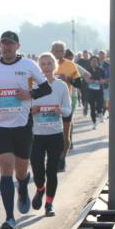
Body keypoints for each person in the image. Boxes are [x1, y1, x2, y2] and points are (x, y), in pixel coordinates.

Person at [0, 31, 52, 229]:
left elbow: (45, 89)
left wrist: (29, 94)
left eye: (11, 44)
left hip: (22, 125)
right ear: (0, 45)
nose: (7, 47)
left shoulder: (29, 65)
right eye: (4, 43)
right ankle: (10, 218)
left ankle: (22, 185)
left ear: (17, 46)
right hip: (0, 125)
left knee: (21, 170)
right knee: (6, 167)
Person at [30, 53, 74, 217]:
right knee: (37, 169)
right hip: (37, 135)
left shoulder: (61, 86)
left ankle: (49, 204)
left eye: (49, 64)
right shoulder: (33, 86)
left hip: (55, 134)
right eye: (43, 64)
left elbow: (68, 110)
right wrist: (32, 110)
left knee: (52, 171)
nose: (46, 67)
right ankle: (40, 189)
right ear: (38, 67)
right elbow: (24, 109)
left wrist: (59, 110)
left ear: (54, 66)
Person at [49, 41, 82, 173]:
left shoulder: (70, 65)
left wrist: (68, 79)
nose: (58, 53)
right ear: (51, 51)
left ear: (64, 52)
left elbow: (79, 84)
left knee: (64, 135)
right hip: (48, 104)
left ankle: (62, 157)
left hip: (64, 104)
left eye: (60, 51)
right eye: (55, 50)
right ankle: (52, 159)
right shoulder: (46, 63)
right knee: (49, 134)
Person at [85, 55, 106, 127]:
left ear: (98, 62)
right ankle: (94, 122)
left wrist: (101, 81)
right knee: (92, 107)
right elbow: (87, 80)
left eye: (96, 61)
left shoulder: (101, 70)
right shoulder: (87, 70)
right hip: (90, 91)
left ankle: (100, 112)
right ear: (90, 62)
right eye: (92, 61)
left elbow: (104, 80)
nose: (94, 62)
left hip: (99, 90)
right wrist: (92, 81)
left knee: (100, 103)